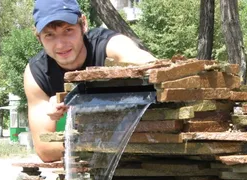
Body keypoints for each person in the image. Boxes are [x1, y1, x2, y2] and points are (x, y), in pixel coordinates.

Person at [24, 0, 156, 162]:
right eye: (49, 35)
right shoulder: (37, 72)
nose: (60, 44)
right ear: (39, 38)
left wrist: (84, 102)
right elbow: (45, 150)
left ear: (83, 25)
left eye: (68, 30)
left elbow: (157, 71)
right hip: (106, 159)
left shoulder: (110, 46)